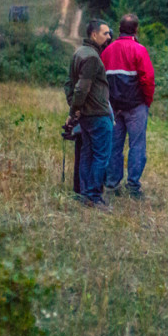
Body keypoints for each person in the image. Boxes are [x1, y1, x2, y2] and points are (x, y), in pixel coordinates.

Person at [101, 13, 155, 200]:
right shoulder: (139, 50)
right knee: (137, 145)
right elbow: (147, 79)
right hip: (135, 106)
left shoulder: (107, 51)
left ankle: (112, 183)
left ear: (120, 28)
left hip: (114, 107)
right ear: (136, 29)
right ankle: (133, 186)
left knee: (114, 146)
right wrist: (147, 101)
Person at [64, 19, 114, 212]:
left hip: (86, 114)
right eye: (105, 33)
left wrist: (75, 109)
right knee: (101, 156)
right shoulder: (92, 57)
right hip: (98, 113)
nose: (109, 36)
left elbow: (69, 83)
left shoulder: (79, 52)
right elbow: (81, 87)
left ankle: (85, 194)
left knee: (87, 153)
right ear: (94, 35)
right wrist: (73, 109)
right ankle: (93, 196)